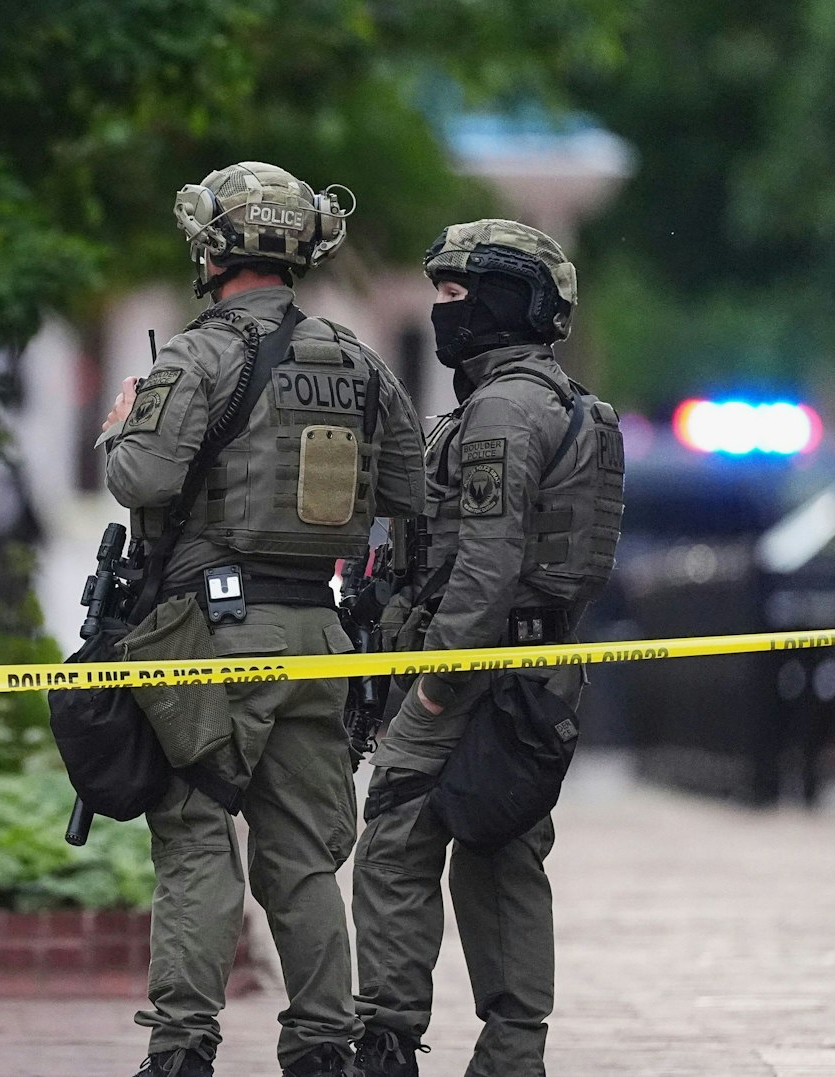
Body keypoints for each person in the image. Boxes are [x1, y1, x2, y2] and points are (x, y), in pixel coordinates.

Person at [99, 162, 426, 1077]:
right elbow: (409, 493)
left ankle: (182, 1047)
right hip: (320, 636)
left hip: (213, 640)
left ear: (213, 248)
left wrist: (122, 425)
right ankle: (322, 1043)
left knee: (196, 833)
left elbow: (140, 477)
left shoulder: (195, 357)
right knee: (304, 855)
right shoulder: (359, 362)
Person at [351, 220, 624, 1077]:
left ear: (508, 301)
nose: (441, 307)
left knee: (396, 836)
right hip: (533, 670)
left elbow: (487, 563)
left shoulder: (503, 410)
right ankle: (512, 1053)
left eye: (456, 291)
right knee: (502, 846)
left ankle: (387, 1040)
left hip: (471, 669)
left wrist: (435, 684)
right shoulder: (556, 402)